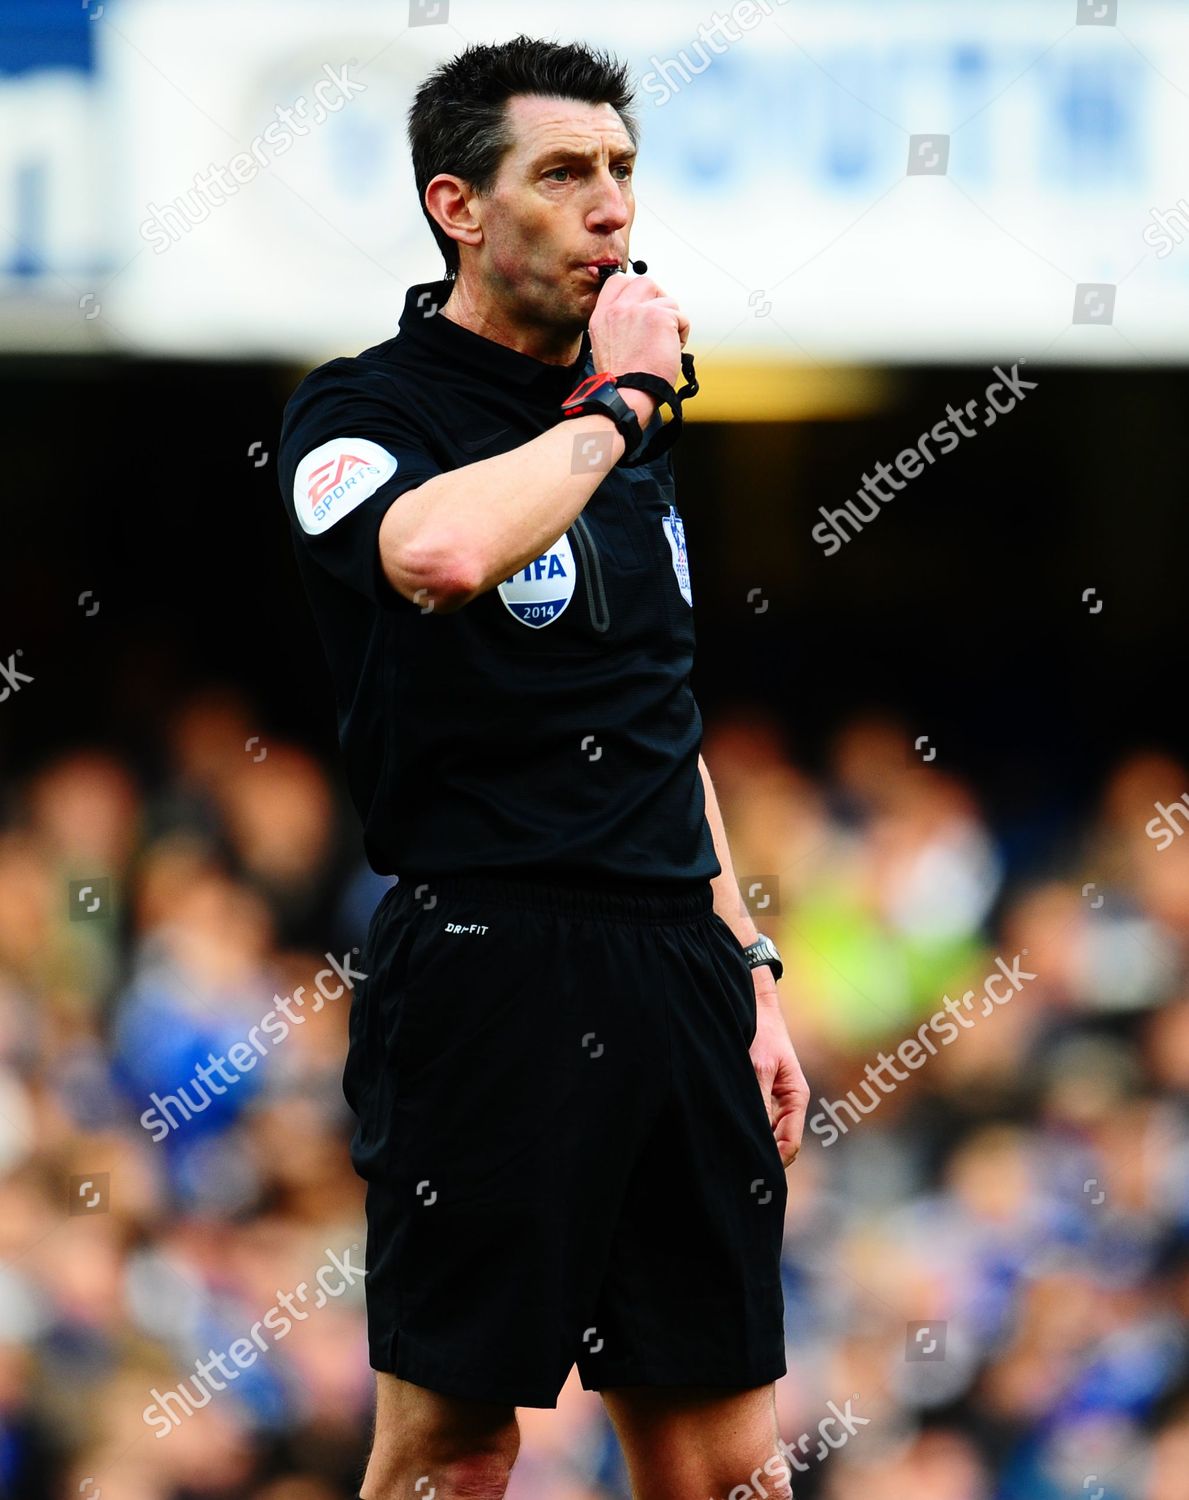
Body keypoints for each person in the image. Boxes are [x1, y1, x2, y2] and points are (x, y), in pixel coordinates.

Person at [277, 34, 809, 1500]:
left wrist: (745, 963)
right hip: (490, 955)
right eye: (563, 174)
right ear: (458, 204)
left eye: (622, 173)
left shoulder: (621, 430)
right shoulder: (361, 410)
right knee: (455, 1449)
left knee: (724, 1461)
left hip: (675, 967)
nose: (610, 210)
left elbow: (657, 716)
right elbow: (437, 555)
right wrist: (622, 407)